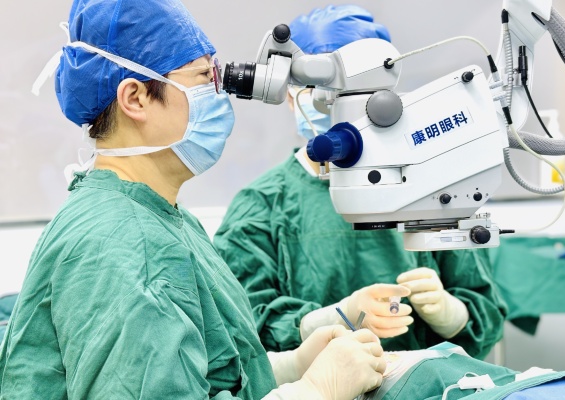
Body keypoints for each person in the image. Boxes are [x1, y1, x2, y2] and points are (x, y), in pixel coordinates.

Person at [0, 1, 388, 399]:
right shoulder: (125, 246)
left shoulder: (161, 217)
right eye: (204, 78)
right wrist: (316, 390)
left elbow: (201, 369)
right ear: (135, 98)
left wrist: (293, 366)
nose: (221, 93)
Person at [213, 5, 507, 359]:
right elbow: (243, 329)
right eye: (322, 90)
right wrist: (330, 320)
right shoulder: (261, 205)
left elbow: (485, 313)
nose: (337, 104)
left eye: (356, 94)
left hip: (422, 382)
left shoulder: (434, 184)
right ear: (290, 94)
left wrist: (451, 313)